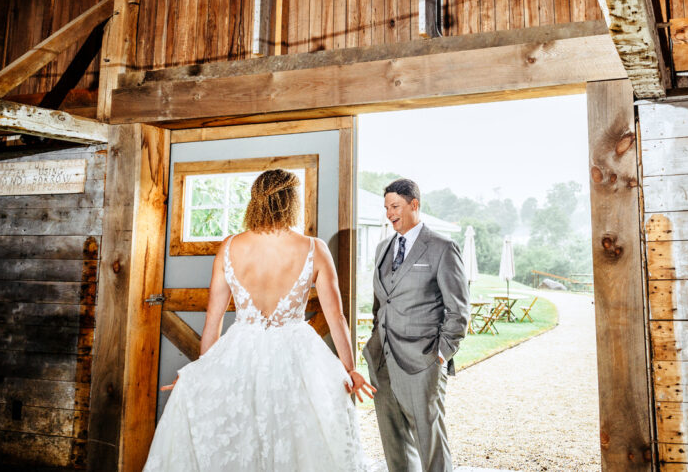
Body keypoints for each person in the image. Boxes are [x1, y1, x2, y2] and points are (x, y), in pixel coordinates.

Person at [143, 169, 375, 471]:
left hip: (241, 352)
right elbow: (336, 317)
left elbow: (212, 322)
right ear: (291, 201)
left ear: (256, 200)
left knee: (242, 438)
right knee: (296, 438)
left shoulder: (229, 247)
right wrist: (350, 369)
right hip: (297, 356)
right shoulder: (314, 248)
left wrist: (202, 372)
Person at [362, 178, 470, 472]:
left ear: (414, 205)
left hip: (423, 363)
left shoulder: (442, 248)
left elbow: (458, 311)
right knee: (394, 446)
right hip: (382, 362)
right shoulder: (383, 247)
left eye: (395, 206)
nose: (389, 213)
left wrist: (440, 354)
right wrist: (375, 341)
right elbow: (380, 303)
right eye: (386, 207)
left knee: (430, 445)